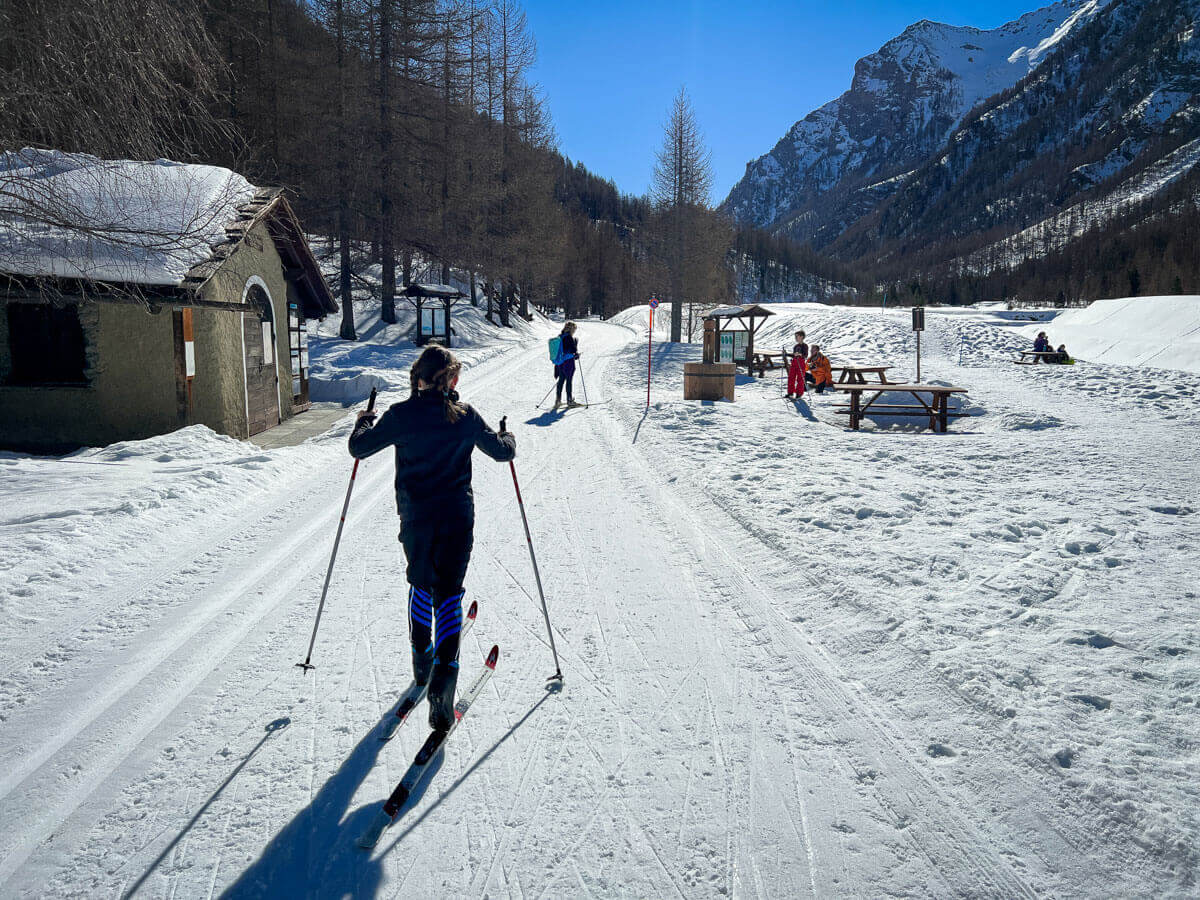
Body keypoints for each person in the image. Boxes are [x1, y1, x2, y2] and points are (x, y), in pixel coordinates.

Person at [347, 345, 516, 733]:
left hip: (417, 520)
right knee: (449, 594)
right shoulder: (466, 415)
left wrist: (363, 422)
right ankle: (444, 679)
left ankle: (421, 662)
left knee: (421, 585)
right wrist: (508, 436)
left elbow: (359, 446)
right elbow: (501, 453)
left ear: (417, 378)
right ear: (451, 380)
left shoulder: (401, 415)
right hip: (457, 519)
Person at [553, 321, 581, 410]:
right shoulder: (569, 338)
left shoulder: (560, 336)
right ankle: (569, 401)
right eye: (574, 329)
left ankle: (558, 400)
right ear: (572, 329)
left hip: (560, 363)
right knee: (569, 381)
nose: (574, 331)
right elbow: (571, 352)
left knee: (561, 380)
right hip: (568, 363)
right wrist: (576, 354)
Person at [786, 330, 809, 399]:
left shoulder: (805, 346)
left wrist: (800, 354)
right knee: (791, 377)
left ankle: (799, 393)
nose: (795, 338)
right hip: (794, 362)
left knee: (800, 378)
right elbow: (794, 355)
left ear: (801, 337)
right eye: (795, 336)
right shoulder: (795, 346)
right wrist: (786, 354)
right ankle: (790, 392)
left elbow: (805, 355)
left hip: (801, 363)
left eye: (797, 336)